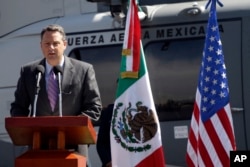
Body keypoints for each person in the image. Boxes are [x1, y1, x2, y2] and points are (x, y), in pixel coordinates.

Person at [10, 24, 102, 162]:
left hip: (74, 150)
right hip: (38, 149)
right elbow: (18, 107)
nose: (51, 48)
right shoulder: (29, 72)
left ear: (65, 44)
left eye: (55, 43)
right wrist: (25, 127)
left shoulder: (83, 70)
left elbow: (94, 108)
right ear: (41, 46)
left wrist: (73, 127)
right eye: (47, 44)